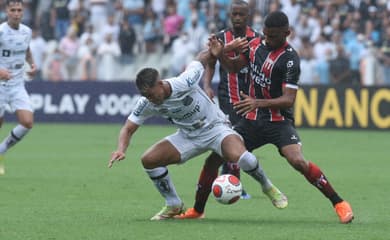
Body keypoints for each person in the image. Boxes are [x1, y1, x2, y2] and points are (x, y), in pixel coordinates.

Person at [179, 11, 354, 224]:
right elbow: (233, 67)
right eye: (266, 34)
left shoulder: (290, 60)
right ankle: (197, 210)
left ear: (286, 33)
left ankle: (339, 203)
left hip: (278, 122)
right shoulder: (254, 45)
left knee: (297, 161)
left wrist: (257, 102)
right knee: (214, 158)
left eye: (273, 36)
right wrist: (220, 54)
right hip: (251, 121)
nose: (268, 39)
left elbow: (289, 99)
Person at [107, 49, 286, 220]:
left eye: (152, 94)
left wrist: (222, 49)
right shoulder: (147, 103)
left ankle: (267, 187)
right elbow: (128, 128)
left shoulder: (185, 81)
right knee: (149, 160)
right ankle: (173, 204)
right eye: (146, 96)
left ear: (160, 84)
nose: (150, 99)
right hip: (188, 136)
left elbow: (201, 57)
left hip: (216, 128)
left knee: (244, 158)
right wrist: (121, 149)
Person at [202, 0, 258, 200]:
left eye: (241, 14)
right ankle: (233, 183)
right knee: (233, 136)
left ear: (247, 16)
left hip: (250, 97)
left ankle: (228, 180)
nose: (237, 18)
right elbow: (209, 63)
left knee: (242, 140)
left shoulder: (257, 39)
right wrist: (207, 85)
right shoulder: (220, 38)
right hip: (228, 96)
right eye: (234, 14)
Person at [0, 0, 36, 175]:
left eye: (19, 10)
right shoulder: (0, 31)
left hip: (17, 84)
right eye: (12, 10)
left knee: (27, 122)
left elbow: (26, 50)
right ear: (7, 11)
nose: (16, 13)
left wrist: (32, 64)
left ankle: (1, 151)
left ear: (23, 12)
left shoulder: (26, 31)